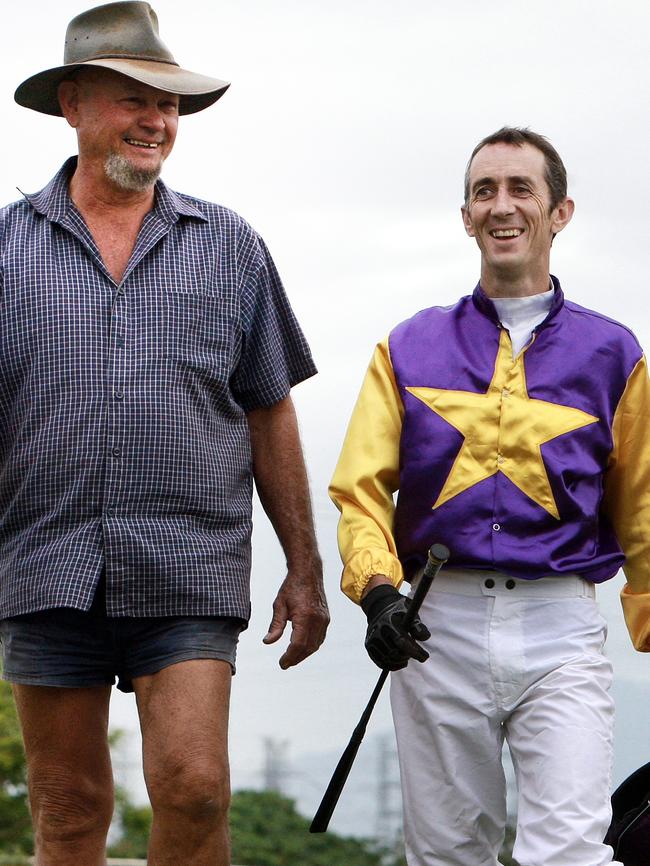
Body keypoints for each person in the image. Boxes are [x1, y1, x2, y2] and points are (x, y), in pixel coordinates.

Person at [0, 3, 329, 865]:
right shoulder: (5, 249)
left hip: (186, 565)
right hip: (43, 564)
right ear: (72, 105)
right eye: (133, 99)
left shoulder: (229, 246)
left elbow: (270, 408)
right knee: (68, 810)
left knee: (195, 787)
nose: (156, 121)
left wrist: (304, 565)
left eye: (169, 106)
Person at [330, 127, 650, 866]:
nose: (501, 206)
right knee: (447, 853)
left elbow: (642, 511)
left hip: (560, 625)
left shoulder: (616, 353)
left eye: (520, 189)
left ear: (559, 211)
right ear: (466, 216)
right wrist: (378, 593)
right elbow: (361, 490)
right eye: (484, 191)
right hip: (434, 626)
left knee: (568, 851)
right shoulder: (406, 346)